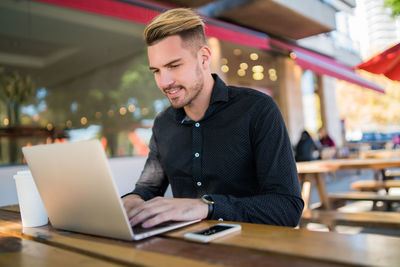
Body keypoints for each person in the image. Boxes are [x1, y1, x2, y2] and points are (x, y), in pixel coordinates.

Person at [122, 8, 303, 228]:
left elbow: (287, 207)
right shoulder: (163, 124)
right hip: (187, 249)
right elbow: (148, 188)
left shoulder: (258, 109)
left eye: (173, 66)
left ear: (204, 58)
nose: (164, 82)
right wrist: (130, 200)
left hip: (253, 251)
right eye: (156, 71)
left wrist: (207, 206)